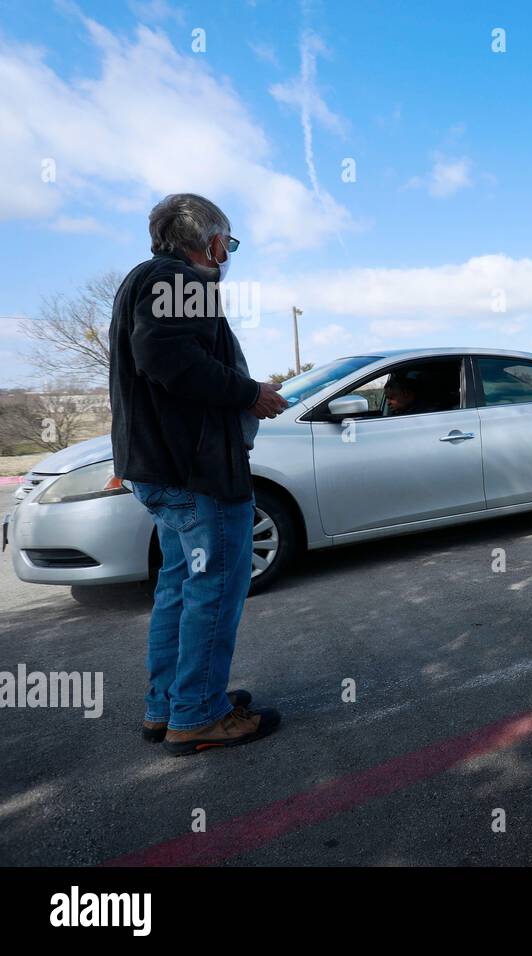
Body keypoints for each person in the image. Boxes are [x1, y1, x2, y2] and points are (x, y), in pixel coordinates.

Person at [109, 193, 288, 755]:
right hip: (197, 472)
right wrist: (250, 393)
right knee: (213, 589)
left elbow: (160, 357)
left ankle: (170, 705)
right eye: (229, 244)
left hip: (163, 468)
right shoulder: (183, 281)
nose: (228, 254)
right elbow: (168, 361)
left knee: (180, 587)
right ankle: (198, 714)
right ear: (212, 242)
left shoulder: (145, 280)